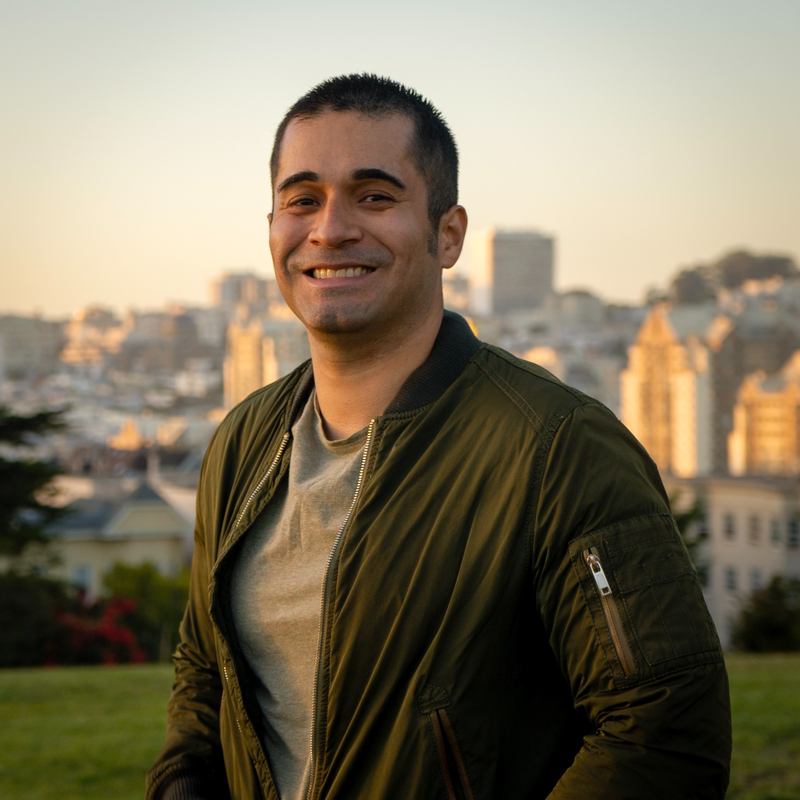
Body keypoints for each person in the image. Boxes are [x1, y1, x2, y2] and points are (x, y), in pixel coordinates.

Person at [147, 74, 731, 800]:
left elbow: (666, 734)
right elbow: (204, 666)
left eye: (375, 196)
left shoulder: (556, 448)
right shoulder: (244, 442)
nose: (330, 228)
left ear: (447, 234)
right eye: (302, 200)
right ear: (272, 230)